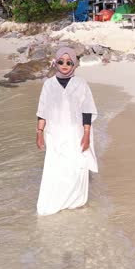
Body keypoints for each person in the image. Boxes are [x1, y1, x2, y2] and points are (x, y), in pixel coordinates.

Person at [35, 46, 98, 216]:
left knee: (76, 166)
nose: (64, 65)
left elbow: (87, 110)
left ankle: (75, 201)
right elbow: (42, 110)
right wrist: (39, 133)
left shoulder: (81, 84)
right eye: (61, 61)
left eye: (69, 62)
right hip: (54, 133)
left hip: (75, 133)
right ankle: (55, 201)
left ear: (74, 65)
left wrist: (86, 135)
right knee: (56, 168)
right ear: (55, 63)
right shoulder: (48, 85)